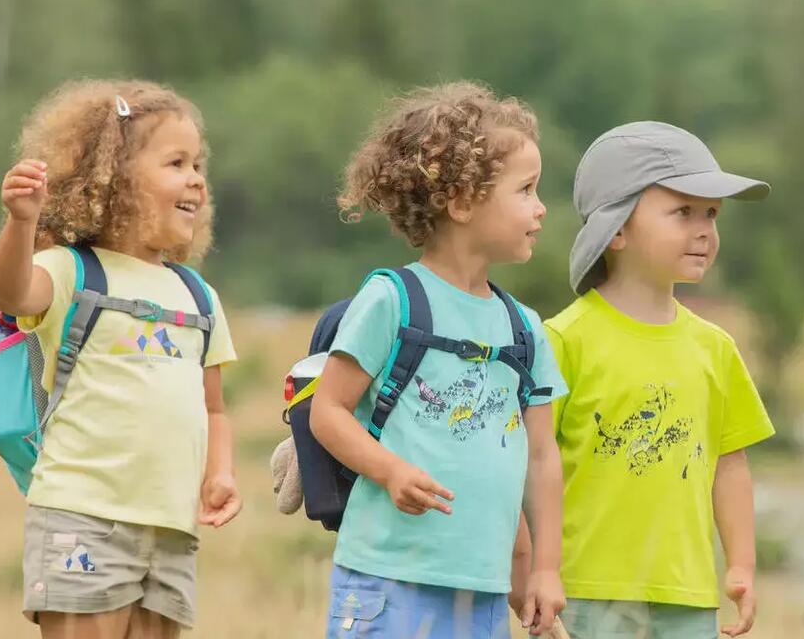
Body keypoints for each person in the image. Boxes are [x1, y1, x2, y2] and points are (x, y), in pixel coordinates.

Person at [310, 81, 568, 638]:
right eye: (525, 190)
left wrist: (544, 569)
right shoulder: (391, 300)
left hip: (485, 592)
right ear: (463, 201)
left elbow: (543, 457)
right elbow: (327, 412)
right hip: (387, 578)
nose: (541, 208)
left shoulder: (525, 329)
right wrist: (390, 470)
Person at [0, 79, 241, 638]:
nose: (196, 178)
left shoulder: (198, 294)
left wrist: (219, 472)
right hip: (83, 515)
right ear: (113, 178)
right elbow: (11, 294)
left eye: (198, 165)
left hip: (171, 529)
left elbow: (213, 408)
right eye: (176, 162)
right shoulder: (70, 271)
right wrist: (21, 222)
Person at [542, 122, 775, 639]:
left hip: (686, 593)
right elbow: (534, 465)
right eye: (683, 212)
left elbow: (729, 464)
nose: (704, 231)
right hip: (585, 590)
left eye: (711, 215)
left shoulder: (715, 347)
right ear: (616, 230)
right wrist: (537, 572)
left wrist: (740, 565)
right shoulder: (561, 340)